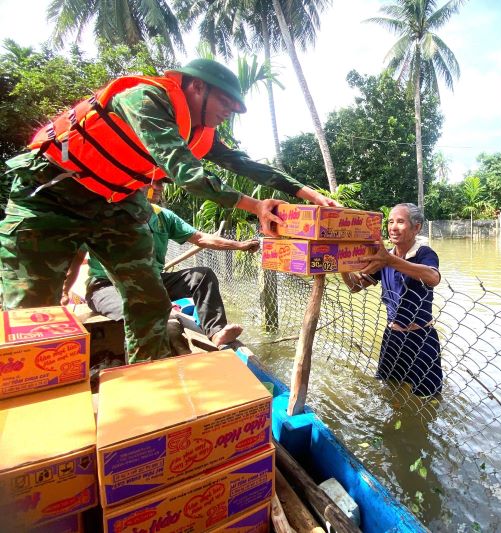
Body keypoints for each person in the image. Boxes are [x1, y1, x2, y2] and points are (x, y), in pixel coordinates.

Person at [0, 58, 337, 362]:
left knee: (150, 301)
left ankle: (147, 379)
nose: (230, 111)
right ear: (197, 86)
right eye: (226, 101)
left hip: (116, 203)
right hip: (50, 192)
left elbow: (244, 164)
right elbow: (184, 171)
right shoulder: (144, 98)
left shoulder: (201, 132)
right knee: (31, 310)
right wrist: (255, 206)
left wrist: (306, 192)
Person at [62, 181, 256, 354]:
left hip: (151, 281)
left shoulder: (163, 216)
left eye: (161, 183)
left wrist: (241, 245)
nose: (158, 188)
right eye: (151, 182)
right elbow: (77, 259)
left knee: (202, 276)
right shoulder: (108, 214)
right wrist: (64, 292)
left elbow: (201, 238)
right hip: (107, 286)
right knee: (144, 312)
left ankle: (215, 332)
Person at [341, 203, 443, 397]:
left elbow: (433, 278)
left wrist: (390, 260)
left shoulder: (423, 253)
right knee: (390, 391)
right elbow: (355, 287)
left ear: (417, 227)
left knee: (427, 398)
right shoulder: (384, 256)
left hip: (421, 338)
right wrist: (342, 266)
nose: (393, 227)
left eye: (400, 222)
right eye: (390, 222)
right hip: (392, 337)